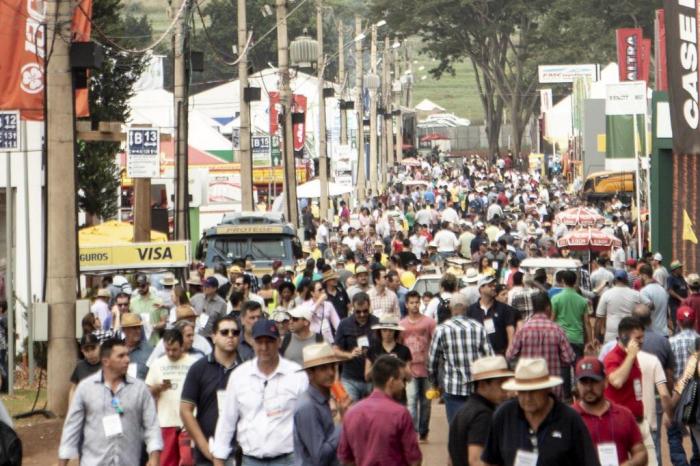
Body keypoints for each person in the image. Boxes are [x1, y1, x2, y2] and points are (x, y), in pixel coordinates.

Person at [212, 319, 308, 466]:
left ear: (279, 342)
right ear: (252, 342)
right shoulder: (239, 376)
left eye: (269, 341)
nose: (264, 347)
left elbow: (308, 417)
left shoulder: (296, 374)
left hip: (288, 458)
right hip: (250, 459)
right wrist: (219, 458)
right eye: (259, 342)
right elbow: (227, 420)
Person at [58, 338, 163, 466]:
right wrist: (62, 462)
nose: (127, 360)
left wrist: (154, 456)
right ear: (106, 361)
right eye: (121, 356)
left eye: (127, 355)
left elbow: (151, 425)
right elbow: (72, 427)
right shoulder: (85, 389)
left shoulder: (140, 389)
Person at [481, 358, 599, 466]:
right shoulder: (503, 416)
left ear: (547, 388)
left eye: (533, 391)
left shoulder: (569, 419)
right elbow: (490, 461)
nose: (527, 398)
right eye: (522, 391)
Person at [337, 355, 422, 466]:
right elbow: (414, 459)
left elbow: (346, 458)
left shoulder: (351, 413)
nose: (403, 385)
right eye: (401, 380)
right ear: (391, 381)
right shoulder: (400, 414)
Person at [181, 316, 242, 466]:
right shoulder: (198, 368)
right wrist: (207, 450)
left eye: (235, 332)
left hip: (241, 453)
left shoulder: (246, 369)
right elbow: (185, 411)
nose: (230, 336)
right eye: (224, 332)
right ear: (214, 337)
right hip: (207, 453)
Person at [428, 292, 495, 423]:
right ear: (467, 308)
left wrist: (435, 383)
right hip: (476, 389)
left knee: (456, 430)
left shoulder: (441, 330)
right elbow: (490, 357)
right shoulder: (478, 328)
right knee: (476, 428)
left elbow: (432, 362)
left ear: (451, 308)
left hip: (453, 388)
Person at [572, 356, 647, 466]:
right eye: (584, 382)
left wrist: (630, 464)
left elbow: (641, 452)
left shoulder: (624, 415)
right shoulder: (569, 418)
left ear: (605, 382)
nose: (589, 388)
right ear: (577, 385)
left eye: (594, 381)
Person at [603, 316, 656, 464]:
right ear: (624, 337)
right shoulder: (613, 357)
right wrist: (631, 355)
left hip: (640, 422)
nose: (641, 341)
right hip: (622, 426)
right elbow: (617, 381)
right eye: (637, 338)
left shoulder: (632, 357)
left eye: (642, 337)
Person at [507, 292, 576, 400]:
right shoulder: (557, 330)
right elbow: (569, 358)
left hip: (529, 388)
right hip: (552, 388)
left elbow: (510, 355)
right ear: (548, 307)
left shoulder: (523, 330)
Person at [448, 356, 513, 466]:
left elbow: (450, 459)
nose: (505, 388)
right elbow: (476, 460)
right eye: (500, 383)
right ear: (483, 384)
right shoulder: (483, 416)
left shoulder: (464, 410)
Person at [293, 343, 349, 466]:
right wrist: (343, 423)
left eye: (332, 367)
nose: (330, 373)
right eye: (323, 368)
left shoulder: (322, 400)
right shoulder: (307, 407)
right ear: (310, 373)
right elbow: (320, 457)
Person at [146, 328, 196, 466]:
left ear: (182, 346)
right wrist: (157, 388)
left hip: (189, 422)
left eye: (174, 349)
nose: (171, 353)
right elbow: (146, 392)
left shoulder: (194, 363)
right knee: (167, 462)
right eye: (167, 349)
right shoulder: (157, 364)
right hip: (165, 421)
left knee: (188, 460)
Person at [400, 290, 436, 441]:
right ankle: (412, 433)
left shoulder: (429, 322)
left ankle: (423, 431)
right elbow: (399, 346)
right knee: (412, 401)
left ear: (420, 303)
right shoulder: (401, 324)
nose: (415, 305)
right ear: (406, 305)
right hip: (410, 369)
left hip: (427, 369)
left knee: (426, 403)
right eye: (411, 303)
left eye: (417, 302)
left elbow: (435, 342)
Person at [332, 292, 379, 401]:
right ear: (352, 308)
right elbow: (335, 350)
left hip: (372, 380)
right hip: (350, 379)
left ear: (370, 306)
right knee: (351, 413)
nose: (362, 314)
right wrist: (350, 354)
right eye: (358, 312)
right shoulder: (344, 324)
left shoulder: (377, 323)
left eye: (365, 311)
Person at [466, 275, 516, 355]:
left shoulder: (504, 308)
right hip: (479, 355)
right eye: (490, 286)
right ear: (481, 289)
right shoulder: (471, 310)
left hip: (499, 354)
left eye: (494, 285)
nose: (493, 288)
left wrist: (510, 348)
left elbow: (510, 328)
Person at [595, 269, 649, 343]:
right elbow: (650, 305)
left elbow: (598, 319)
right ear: (626, 280)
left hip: (611, 335)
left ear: (614, 280)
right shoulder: (635, 294)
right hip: (630, 334)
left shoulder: (606, 294)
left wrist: (596, 338)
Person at [551, 270, 591, 360]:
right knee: (577, 368)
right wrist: (590, 341)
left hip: (561, 338)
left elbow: (552, 320)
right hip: (577, 338)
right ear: (575, 281)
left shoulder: (555, 299)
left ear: (563, 281)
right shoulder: (583, 301)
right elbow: (587, 323)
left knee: (564, 369)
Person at [365, 314, 412, 380]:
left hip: (398, 388)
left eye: (391, 330)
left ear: (395, 332)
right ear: (380, 331)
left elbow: (409, 378)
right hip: (378, 389)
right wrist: (378, 363)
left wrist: (399, 363)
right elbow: (367, 377)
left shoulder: (404, 350)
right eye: (384, 330)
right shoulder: (372, 350)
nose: (387, 333)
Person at [130, 274, 167, 346]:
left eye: (143, 286)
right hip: (138, 344)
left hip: (154, 343)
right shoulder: (132, 302)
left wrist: (153, 326)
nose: (140, 288)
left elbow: (164, 322)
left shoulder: (158, 301)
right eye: (138, 286)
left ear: (148, 285)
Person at [68, 333, 102, 403]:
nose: (90, 353)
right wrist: (71, 409)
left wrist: (119, 410)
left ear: (99, 346)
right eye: (87, 350)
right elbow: (73, 389)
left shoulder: (107, 364)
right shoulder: (80, 366)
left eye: (93, 348)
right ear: (82, 351)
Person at [120, 313, 153, 380]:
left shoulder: (149, 350)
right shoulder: (115, 351)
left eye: (139, 327)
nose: (138, 331)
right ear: (124, 330)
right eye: (134, 328)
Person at [639, 264, 670, 336]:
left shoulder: (644, 291)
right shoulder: (662, 289)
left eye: (640, 276)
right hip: (664, 333)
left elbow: (645, 313)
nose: (639, 278)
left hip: (652, 334)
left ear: (644, 276)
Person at [668, 260, 689, 329]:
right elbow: (670, 290)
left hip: (683, 304)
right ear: (675, 270)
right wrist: (680, 298)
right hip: (675, 305)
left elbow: (686, 288)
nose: (681, 269)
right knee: (677, 324)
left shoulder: (681, 277)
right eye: (680, 268)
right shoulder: (671, 278)